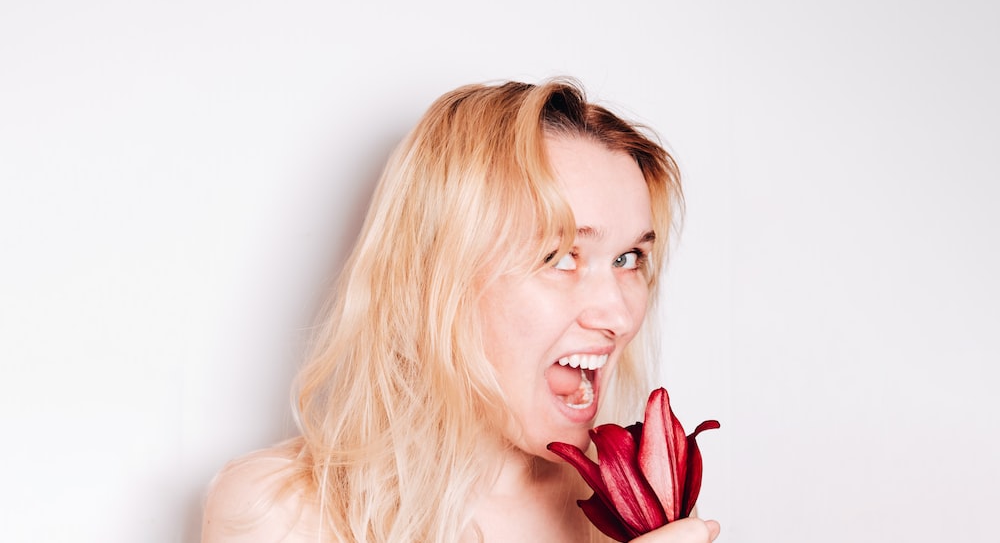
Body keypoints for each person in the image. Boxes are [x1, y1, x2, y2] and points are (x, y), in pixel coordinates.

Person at [202, 79, 720, 542]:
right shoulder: (280, 513)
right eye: (562, 257)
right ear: (438, 276)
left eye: (629, 259)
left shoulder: (630, 515)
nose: (620, 316)